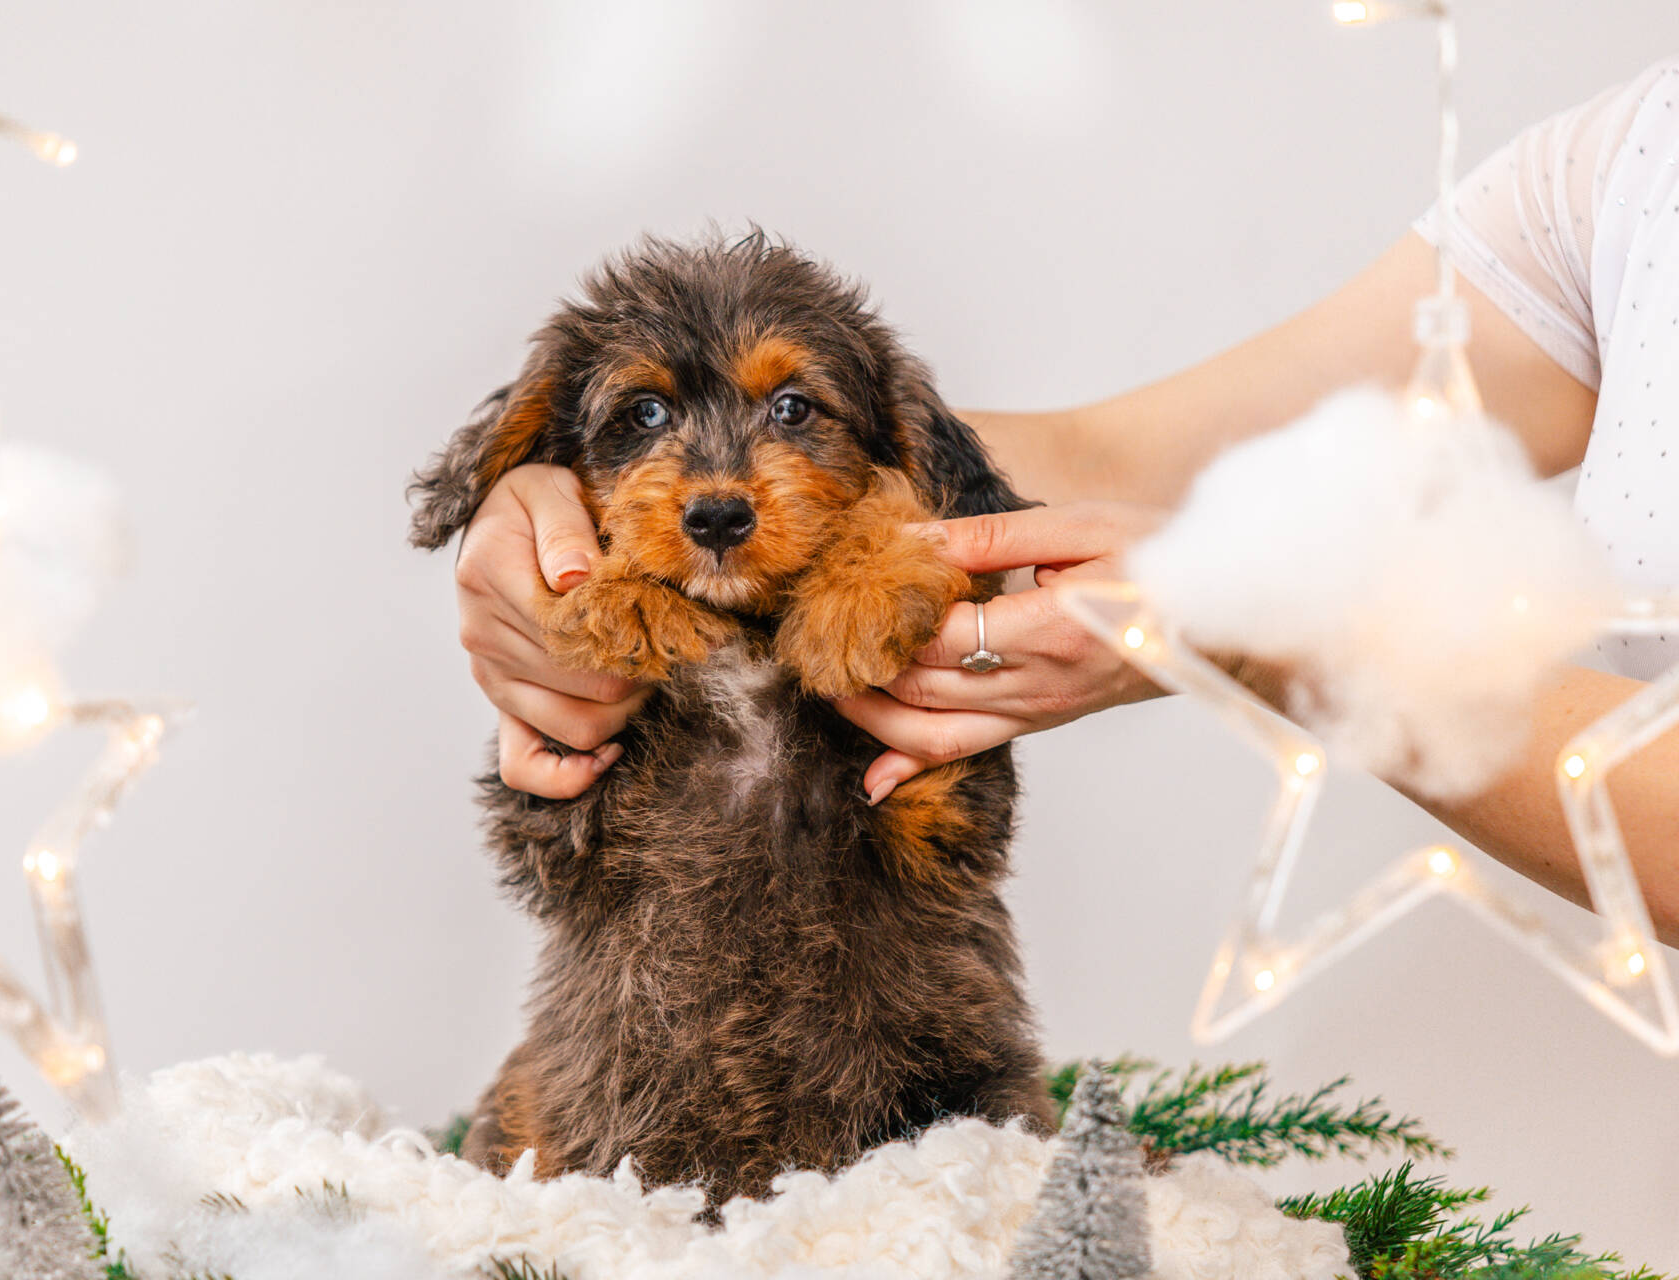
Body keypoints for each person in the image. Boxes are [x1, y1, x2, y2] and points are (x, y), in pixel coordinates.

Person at [449, 59, 1679, 942]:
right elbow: (1130, 458)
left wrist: (1270, 617)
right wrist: (553, 502)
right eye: (654, 416)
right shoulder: (1627, 164)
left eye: (789, 411)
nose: (721, 471)